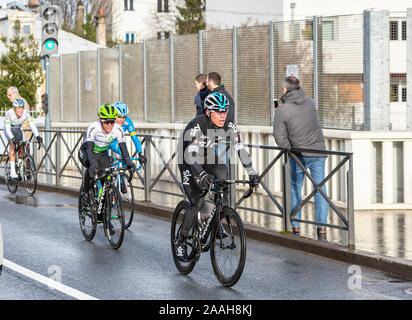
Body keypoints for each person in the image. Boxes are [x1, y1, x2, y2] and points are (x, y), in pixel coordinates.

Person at [175, 92, 260, 262]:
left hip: (208, 157)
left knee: (223, 178)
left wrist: (252, 172)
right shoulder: (197, 125)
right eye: (218, 111)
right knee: (197, 202)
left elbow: (241, 149)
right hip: (188, 159)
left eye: (225, 111)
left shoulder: (229, 124)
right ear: (208, 112)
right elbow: (190, 155)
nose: (223, 115)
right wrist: (202, 174)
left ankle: (216, 219)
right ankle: (181, 241)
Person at [273, 76, 328, 241]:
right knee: (320, 189)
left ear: (285, 89)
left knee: (295, 187)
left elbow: (279, 136)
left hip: (299, 155)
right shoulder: (310, 102)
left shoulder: (282, 110)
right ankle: (322, 227)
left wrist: (288, 148)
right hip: (318, 151)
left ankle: (295, 224)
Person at [78, 104, 134, 214]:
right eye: (106, 122)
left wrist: (128, 162)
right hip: (87, 151)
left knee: (107, 183)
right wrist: (93, 164)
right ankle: (84, 194)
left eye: (112, 122)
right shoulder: (94, 127)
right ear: (100, 120)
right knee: (91, 168)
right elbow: (89, 150)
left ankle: (105, 217)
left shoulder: (118, 130)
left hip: (102, 153)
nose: (109, 125)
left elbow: (123, 148)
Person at [4, 98, 43, 180]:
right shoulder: (9, 114)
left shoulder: (26, 113)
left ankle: (20, 170)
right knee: (13, 147)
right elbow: (7, 129)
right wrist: (12, 139)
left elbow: (32, 125)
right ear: (14, 108)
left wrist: (37, 136)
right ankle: (12, 173)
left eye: (21, 108)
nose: (20, 111)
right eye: (18, 108)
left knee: (22, 147)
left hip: (18, 129)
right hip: (9, 130)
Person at [109, 101, 147, 166]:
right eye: (119, 116)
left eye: (124, 116)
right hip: (104, 142)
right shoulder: (108, 121)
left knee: (126, 158)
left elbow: (134, 137)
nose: (122, 119)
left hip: (115, 142)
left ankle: (121, 175)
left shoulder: (127, 121)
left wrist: (140, 153)